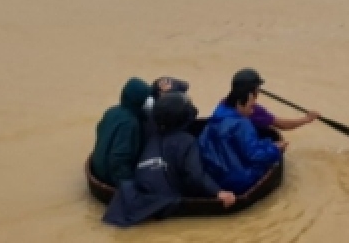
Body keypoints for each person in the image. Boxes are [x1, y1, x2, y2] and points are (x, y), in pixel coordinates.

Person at [103, 93, 237, 227]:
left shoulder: (151, 136)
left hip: (138, 197)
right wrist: (218, 192)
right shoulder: (187, 141)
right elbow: (195, 175)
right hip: (165, 201)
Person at [197, 73, 287, 192]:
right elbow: (255, 156)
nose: (252, 111)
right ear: (240, 103)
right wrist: (275, 149)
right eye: (250, 106)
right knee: (270, 157)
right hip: (237, 181)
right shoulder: (242, 124)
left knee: (264, 144)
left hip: (213, 177)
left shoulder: (218, 113)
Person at [90, 78, 151, 185]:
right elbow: (119, 158)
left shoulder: (112, 111)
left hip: (98, 166)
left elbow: (99, 131)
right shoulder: (130, 124)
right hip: (109, 176)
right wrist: (129, 185)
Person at [227, 68, 320, 135]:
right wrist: (307, 119)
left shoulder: (224, 103)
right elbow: (282, 125)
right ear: (254, 92)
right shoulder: (253, 110)